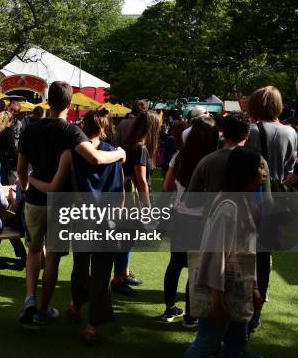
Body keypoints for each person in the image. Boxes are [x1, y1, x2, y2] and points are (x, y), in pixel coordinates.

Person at [17, 80, 126, 327]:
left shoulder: (29, 129)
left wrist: (26, 188)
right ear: (69, 103)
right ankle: (43, 310)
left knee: (33, 251)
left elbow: (21, 169)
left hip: (35, 200)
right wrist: (120, 153)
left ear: (48, 100)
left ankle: (30, 298)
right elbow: (96, 158)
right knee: (53, 258)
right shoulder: (71, 132)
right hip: (60, 203)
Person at [183, 147, 266, 358]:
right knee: (207, 342)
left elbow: (247, 252)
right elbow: (214, 253)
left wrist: (253, 286)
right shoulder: (229, 207)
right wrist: (216, 299)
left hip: (237, 287)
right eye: (259, 166)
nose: (264, 171)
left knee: (237, 339)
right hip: (221, 289)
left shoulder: (244, 200)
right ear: (247, 172)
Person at [244, 85, 297, 333]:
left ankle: (242, 307)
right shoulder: (290, 133)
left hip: (248, 199)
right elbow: (289, 169)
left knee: (242, 253)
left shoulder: (250, 131)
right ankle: (256, 312)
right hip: (276, 202)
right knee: (264, 257)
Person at [161, 117, 219, 327]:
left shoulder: (179, 156)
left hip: (179, 216)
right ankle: (191, 316)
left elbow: (167, 186)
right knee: (196, 268)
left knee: (175, 264)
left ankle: (169, 309)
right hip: (202, 219)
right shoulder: (214, 160)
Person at [113, 110, 161, 296]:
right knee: (125, 240)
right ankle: (117, 279)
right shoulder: (141, 148)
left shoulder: (129, 143)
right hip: (132, 201)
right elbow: (141, 181)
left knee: (127, 239)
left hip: (124, 197)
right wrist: (148, 207)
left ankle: (123, 274)